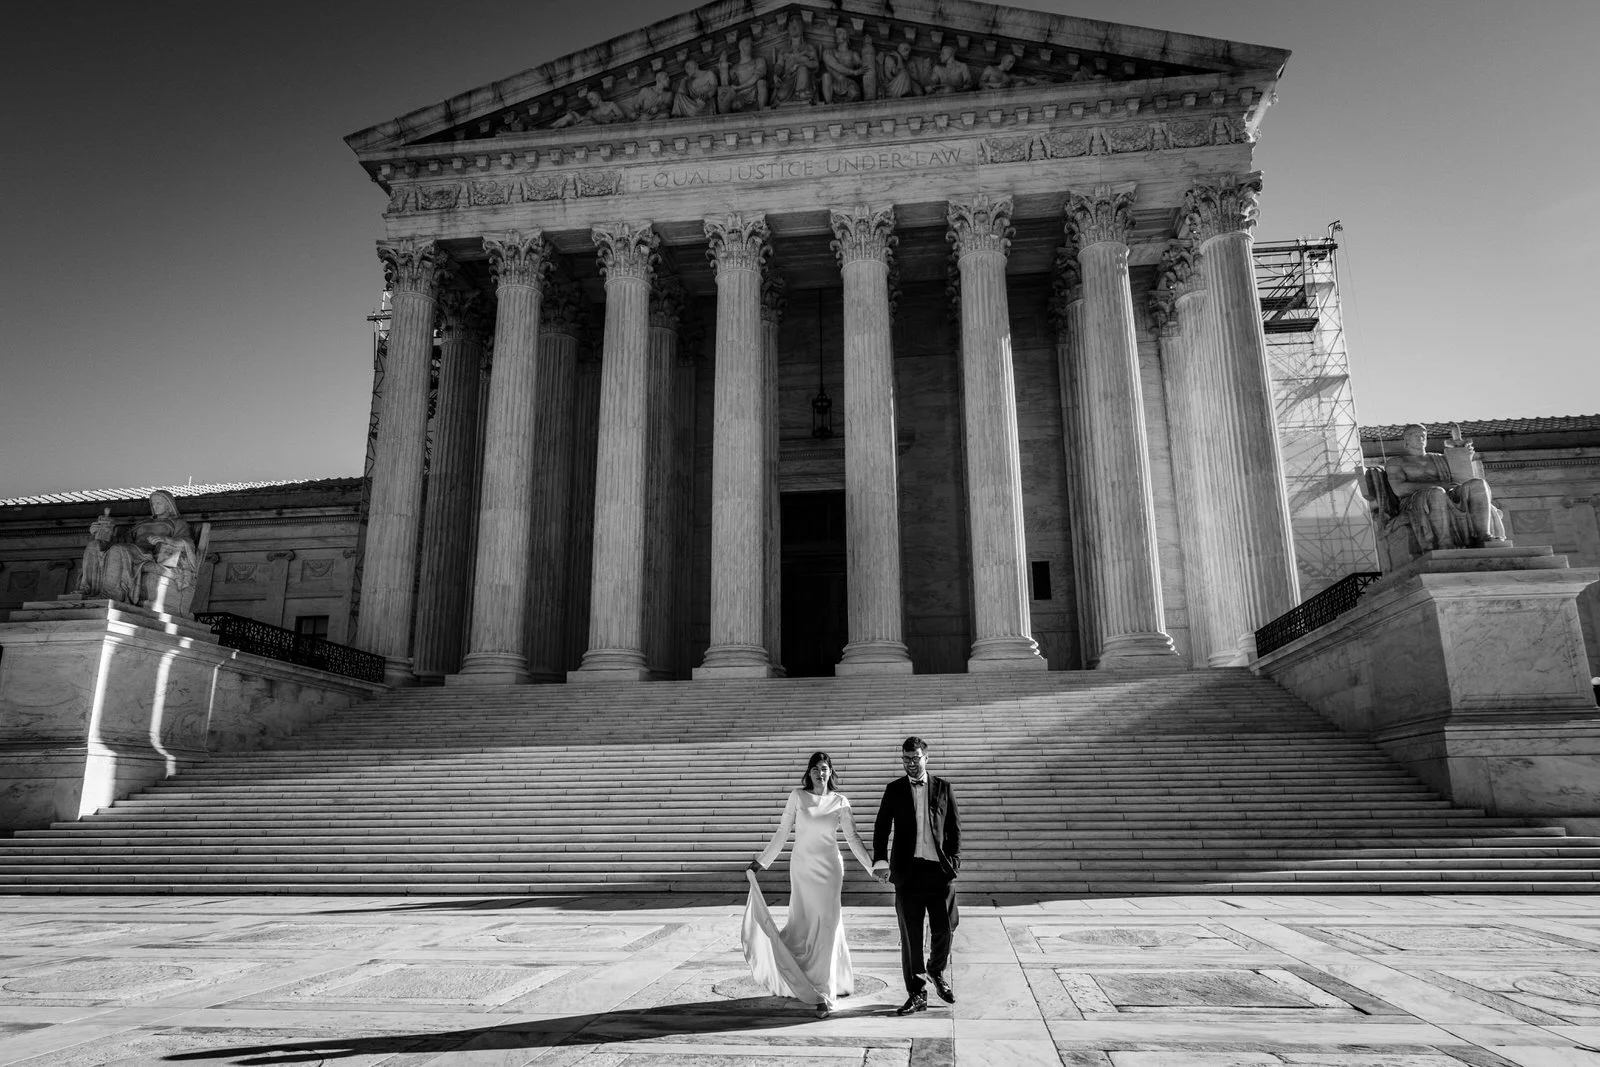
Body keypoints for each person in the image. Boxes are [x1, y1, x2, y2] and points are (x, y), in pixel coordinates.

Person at [744, 751, 875, 1018]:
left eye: (824, 768)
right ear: (809, 773)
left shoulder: (840, 801)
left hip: (830, 870)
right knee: (802, 925)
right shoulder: (798, 796)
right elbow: (783, 831)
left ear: (831, 772)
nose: (820, 772)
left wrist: (872, 867)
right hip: (803, 869)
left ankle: (826, 992)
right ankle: (801, 977)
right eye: (815, 768)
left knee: (828, 924)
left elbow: (852, 837)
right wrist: (762, 861)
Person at [873, 736, 960, 1015]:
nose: (911, 763)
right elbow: (882, 827)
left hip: (938, 872)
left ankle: (935, 970)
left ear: (926, 758)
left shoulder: (943, 788)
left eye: (916, 758)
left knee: (946, 927)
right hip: (908, 873)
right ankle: (917, 993)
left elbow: (953, 829)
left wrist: (954, 862)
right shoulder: (894, 789)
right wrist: (880, 861)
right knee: (910, 935)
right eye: (906, 758)